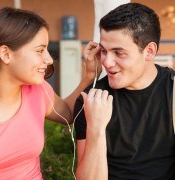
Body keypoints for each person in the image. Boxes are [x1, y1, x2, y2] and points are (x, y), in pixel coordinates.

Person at [0, 7, 113, 179]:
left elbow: (68, 113)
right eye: (39, 50)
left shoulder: (38, 90)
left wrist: (89, 76)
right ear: (6, 54)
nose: (49, 59)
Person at [74, 2, 175, 180]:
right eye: (104, 51)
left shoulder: (172, 90)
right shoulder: (91, 100)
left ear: (149, 51)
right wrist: (96, 129)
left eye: (118, 53)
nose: (107, 62)